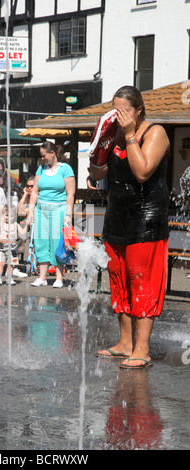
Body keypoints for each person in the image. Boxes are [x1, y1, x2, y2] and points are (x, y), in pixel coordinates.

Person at [90, 85, 170, 369]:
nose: (119, 116)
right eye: (115, 110)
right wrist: (99, 146)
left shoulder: (155, 133)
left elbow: (142, 171)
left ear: (138, 110)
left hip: (146, 221)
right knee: (119, 281)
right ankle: (125, 343)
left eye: (124, 111)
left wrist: (129, 134)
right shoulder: (115, 136)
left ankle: (142, 348)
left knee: (141, 282)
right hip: (117, 218)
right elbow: (97, 174)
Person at [27, 141, 75, 288]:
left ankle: (59, 278)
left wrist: (68, 214)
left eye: (44, 155)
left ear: (52, 153)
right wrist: (30, 210)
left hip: (58, 209)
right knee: (41, 242)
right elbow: (35, 191)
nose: (42, 158)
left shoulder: (65, 169)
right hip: (41, 209)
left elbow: (70, 194)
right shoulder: (41, 169)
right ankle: (42, 277)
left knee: (56, 242)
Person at [0, 205, 29, 285]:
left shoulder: (16, 225)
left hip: (12, 250)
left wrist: (26, 226)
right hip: (2, 249)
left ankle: (9, 278)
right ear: (3, 215)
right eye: (6, 215)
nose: (8, 218)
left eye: (11, 216)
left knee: (11, 265)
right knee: (1, 263)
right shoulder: (0, 224)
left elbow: (22, 233)